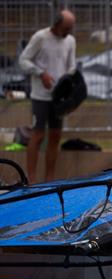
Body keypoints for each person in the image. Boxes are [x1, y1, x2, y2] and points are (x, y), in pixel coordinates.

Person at [18, 9, 76, 182]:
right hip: (41, 96)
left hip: (59, 98)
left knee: (55, 135)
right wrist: (40, 73)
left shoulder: (70, 40)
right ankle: (31, 179)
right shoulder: (40, 37)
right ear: (57, 25)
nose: (69, 32)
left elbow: (71, 65)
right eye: (66, 28)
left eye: (71, 28)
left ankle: (50, 179)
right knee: (38, 135)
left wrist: (68, 81)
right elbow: (23, 60)